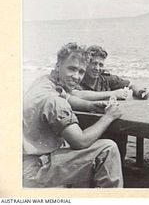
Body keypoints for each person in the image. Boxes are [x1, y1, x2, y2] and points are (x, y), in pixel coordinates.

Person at [23, 43, 123, 188]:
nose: (76, 77)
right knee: (107, 149)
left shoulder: (43, 82)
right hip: (34, 171)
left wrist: (90, 105)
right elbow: (80, 142)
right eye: (72, 69)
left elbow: (67, 97)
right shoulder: (55, 102)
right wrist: (109, 116)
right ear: (58, 66)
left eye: (81, 72)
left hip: (21, 161)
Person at [70, 45, 149, 163]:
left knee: (121, 130)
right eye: (94, 63)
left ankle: (120, 164)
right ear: (86, 63)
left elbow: (129, 84)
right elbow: (76, 94)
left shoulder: (105, 78)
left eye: (101, 64)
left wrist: (138, 91)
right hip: (87, 128)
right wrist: (113, 93)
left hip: (108, 123)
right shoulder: (78, 78)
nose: (97, 68)